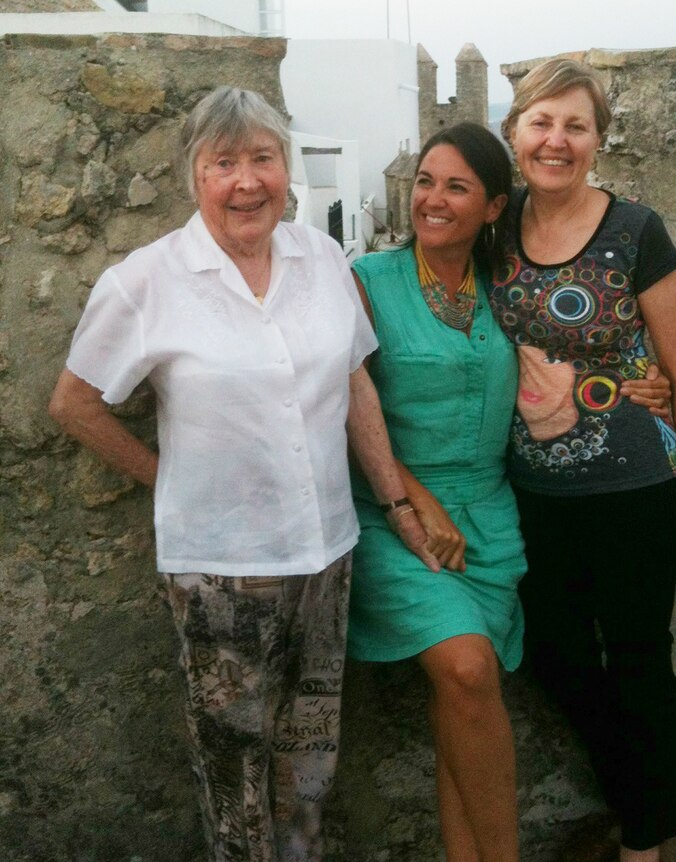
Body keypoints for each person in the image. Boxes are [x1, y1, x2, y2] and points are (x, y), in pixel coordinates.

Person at [48, 86, 434, 862]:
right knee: (233, 775)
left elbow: (355, 381)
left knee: (311, 763)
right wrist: (171, 479)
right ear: (194, 174)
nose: (246, 180)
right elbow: (75, 404)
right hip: (221, 573)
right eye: (224, 162)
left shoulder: (322, 258)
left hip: (326, 552)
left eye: (263, 157)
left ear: (286, 168)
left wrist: (394, 500)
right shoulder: (146, 281)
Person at [346, 123, 672, 862]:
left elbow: (582, 349)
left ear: (495, 206)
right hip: (395, 514)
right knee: (465, 667)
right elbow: (339, 408)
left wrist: (646, 384)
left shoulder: (510, 290)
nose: (432, 198)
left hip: (492, 517)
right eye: (425, 180)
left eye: (456, 186)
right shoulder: (367, 281)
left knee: (461, 697)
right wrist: (413, 499)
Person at [489, 59, 676, 862]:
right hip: (534, 495)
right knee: (551, 653)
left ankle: (646, 840)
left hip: (636, 491)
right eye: (542, 123)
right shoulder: (495, 226)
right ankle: (638, 791)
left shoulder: (636, 230)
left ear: (597, 139)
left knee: (637, 662)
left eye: (576, 126)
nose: (557, 141)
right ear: (515, 131)